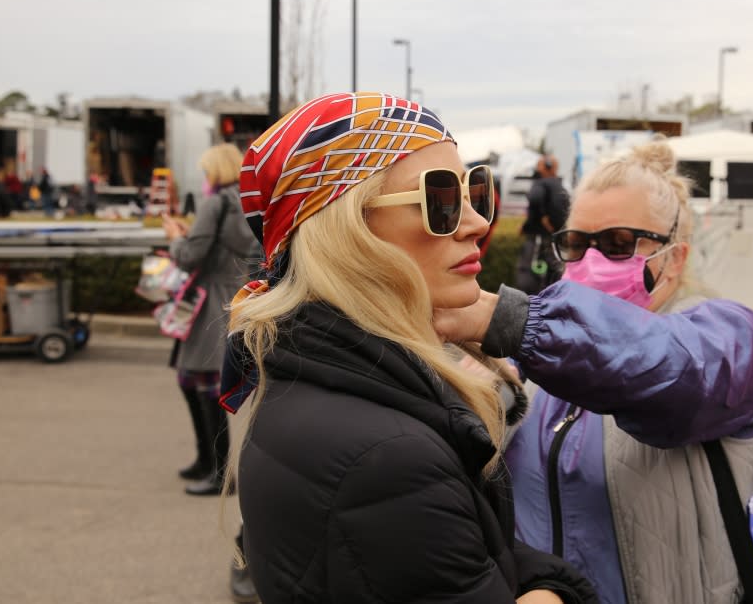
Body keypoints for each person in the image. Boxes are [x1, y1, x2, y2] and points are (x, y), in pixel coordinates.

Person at [220, 92, 597, 604]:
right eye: (439, 200)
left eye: (474, 192)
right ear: (347, 234)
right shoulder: (385, 457)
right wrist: (558, 590)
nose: (477, 223)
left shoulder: (316, 376)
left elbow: (476, 556)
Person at [434, 139, 753, 604]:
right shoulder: (529, 360)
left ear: (673, 257)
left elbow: (666, 369)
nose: (592, 261)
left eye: (618, 244)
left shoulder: (731, 337)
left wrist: (502, 319)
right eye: (577, 243)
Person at [162, 143, 254, 496]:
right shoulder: (245, 203)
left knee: (199, 383)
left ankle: (218, 471)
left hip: (205, 301)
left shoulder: (215, 203)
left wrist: (175, 239)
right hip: (230, 295)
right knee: (198, 381)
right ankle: (208, 464)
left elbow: (189, 255)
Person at [516, 155, 569, 293]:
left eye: (539, 165)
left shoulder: (540, 184)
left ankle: (529, 302)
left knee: (530, 271)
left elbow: (535, 199)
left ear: (547, 166)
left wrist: (540, 219)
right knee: (554, 271)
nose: (536, 168)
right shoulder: (560, 185)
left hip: (537, 238)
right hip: (555, 240)